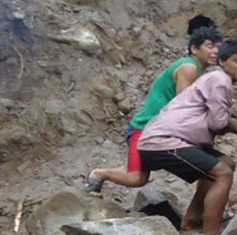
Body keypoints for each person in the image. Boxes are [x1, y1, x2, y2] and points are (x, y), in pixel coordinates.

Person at [85, 26, 224, 195]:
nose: (216, 51)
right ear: (194, 49)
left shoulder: (198, 70)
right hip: (143, 128)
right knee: (136, 178)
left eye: (218, 47)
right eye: (210, 46)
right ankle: (98, 174)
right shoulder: (189, 68)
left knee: (141, 178)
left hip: (159, 129)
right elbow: (185, 105)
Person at [137, 39, 237, 235]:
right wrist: (227, 118)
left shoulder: (214, 78)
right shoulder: (220, 80)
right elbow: (217, 123)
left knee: (226, 162)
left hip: (167, 138)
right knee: (222, 173)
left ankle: (192, 217)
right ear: (222, 62)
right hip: (163, 141)